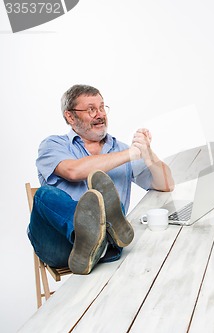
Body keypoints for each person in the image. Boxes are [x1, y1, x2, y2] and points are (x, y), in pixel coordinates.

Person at [27, 84, 175, 275]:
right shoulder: (53, 144)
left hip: (109, 247)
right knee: (44, 195)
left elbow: (167, 184)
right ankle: (97, 236)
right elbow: (73, 171)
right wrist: (130, 154)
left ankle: (102, 243)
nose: (100, 114)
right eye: (91, 109)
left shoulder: (122, 150)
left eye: (102, 107)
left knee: (115, 209)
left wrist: (148, 154)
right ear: (70, 116)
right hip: (60, 245)